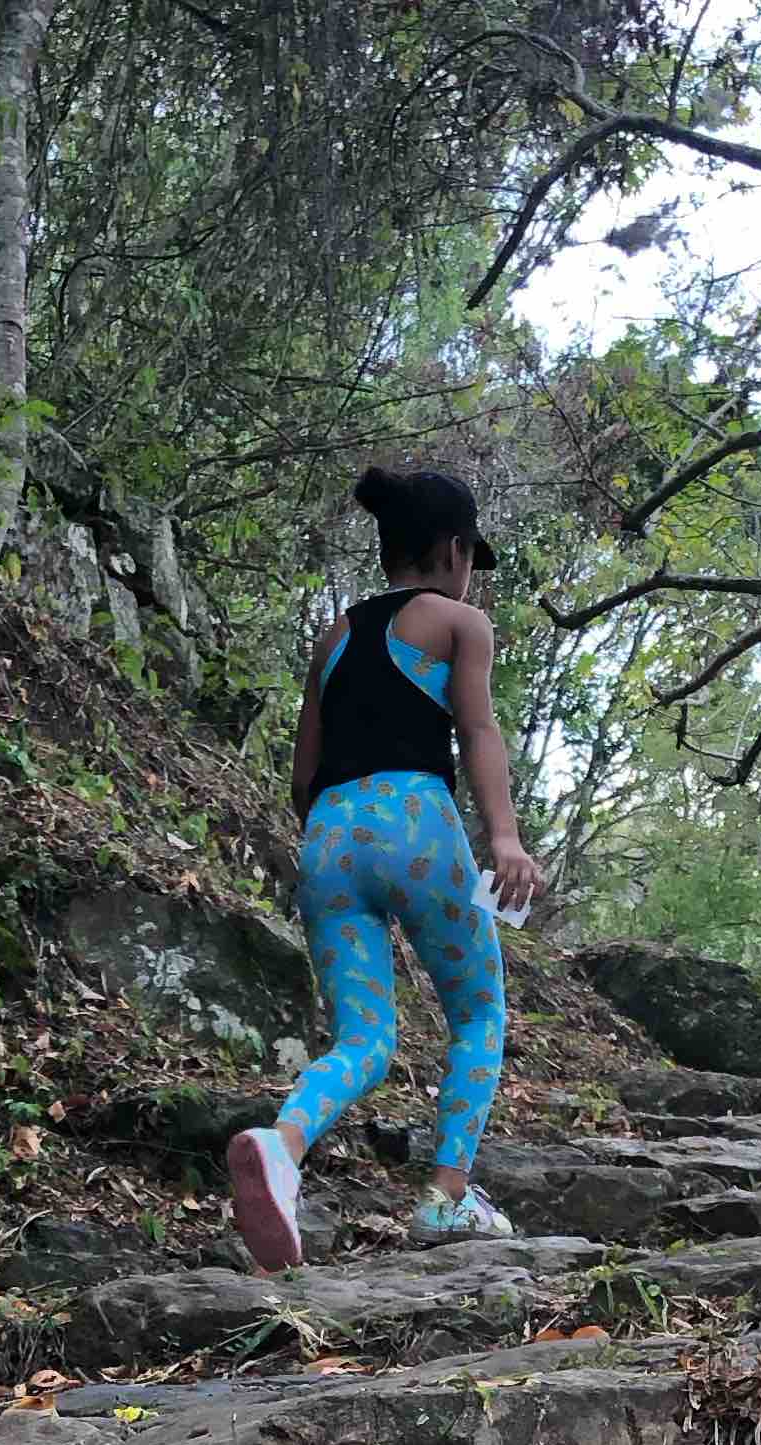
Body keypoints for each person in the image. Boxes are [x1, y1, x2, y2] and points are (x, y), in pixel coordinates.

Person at [227, 466, 543, 1273]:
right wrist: (503, 838)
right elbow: (478, 732)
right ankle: (445, 1197)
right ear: (454, 549)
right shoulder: (460, 622)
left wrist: (335, 846)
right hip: (417, 824)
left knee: (364, 1035)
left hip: (328, 837)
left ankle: (283, 1141)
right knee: (477, 1016)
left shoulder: (331, 637)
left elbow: (303, 776)